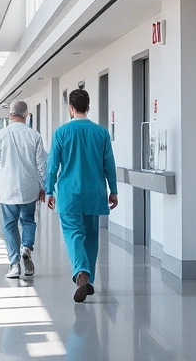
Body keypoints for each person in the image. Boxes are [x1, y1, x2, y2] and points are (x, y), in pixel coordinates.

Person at [45, 89, 118, 302]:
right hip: (94, 192)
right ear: (88, 106)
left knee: (73, 234)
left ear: (70, 108)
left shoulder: (61, 133)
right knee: (91, 237)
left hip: (69, 193)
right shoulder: (101, 133)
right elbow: (109, 164)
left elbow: (52, 166)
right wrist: (113, 190)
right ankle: (88, 278)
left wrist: (49, 190)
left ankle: (82, 274)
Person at [0, 101, 47, 279]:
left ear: (10, 115)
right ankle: (26, 247)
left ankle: (14, 265)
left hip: (7, 188)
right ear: (27, 114)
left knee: (9, 225)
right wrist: (44, 185)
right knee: (28, 220)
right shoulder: (34, 135)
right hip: (29, 188)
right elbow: (42, 164)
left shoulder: (0, 135)